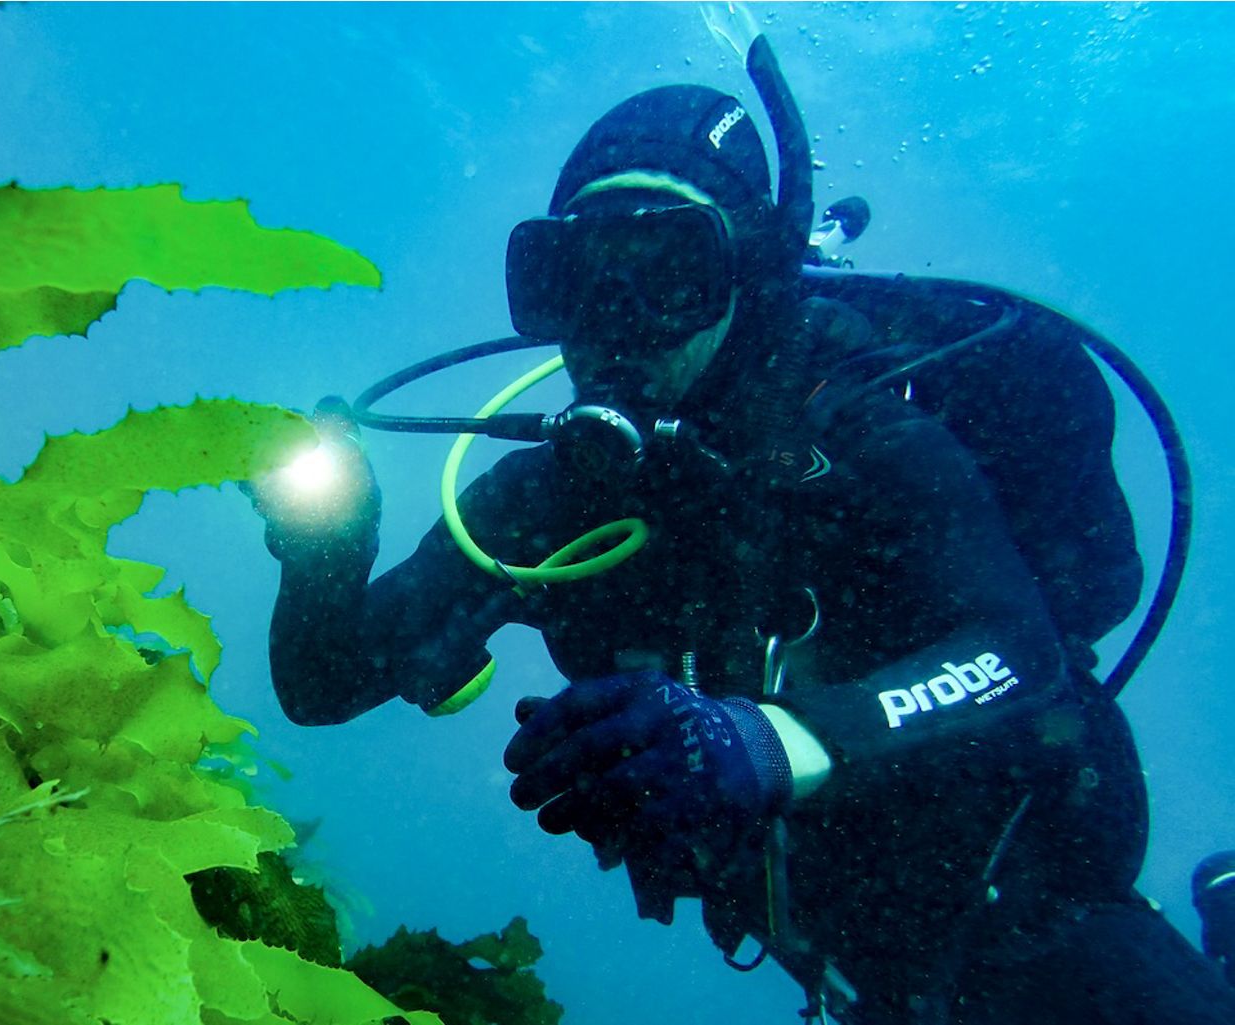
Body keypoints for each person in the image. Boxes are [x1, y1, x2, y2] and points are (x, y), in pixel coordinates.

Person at [249, 35, 1235, 1025]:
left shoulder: (855, 430)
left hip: (1029, 906)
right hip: (847, 964)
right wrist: (327, 553)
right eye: (575, 277)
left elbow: (1019, 656)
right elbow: (323, 684)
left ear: (745, 273)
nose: (616, 324)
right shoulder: (545, 501)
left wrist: (759, 740)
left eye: (670, 271)